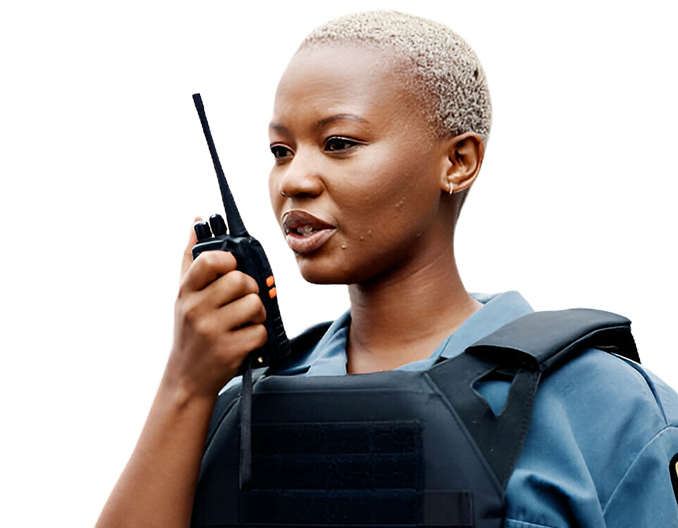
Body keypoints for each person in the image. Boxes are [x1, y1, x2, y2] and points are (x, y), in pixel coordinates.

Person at [94, 8, 678, 527]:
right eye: (280, 151)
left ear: (458, 161)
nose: (294, 179)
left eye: (339, 142)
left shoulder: (607, 406)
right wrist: (184, 383)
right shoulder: (229, 407)